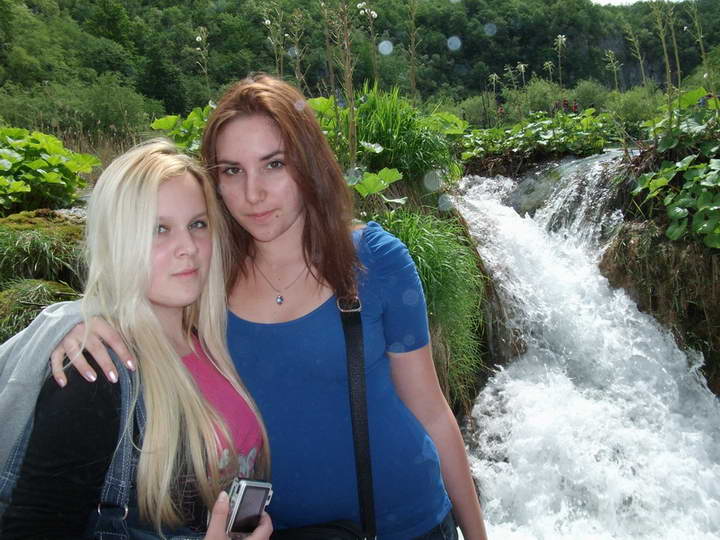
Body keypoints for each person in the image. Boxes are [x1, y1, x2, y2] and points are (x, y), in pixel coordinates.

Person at [48, 74, 489, 540]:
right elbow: (136, 296)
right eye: (232, 171)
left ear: (308, 164)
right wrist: (84, 322)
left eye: (274, 164)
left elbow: (431, 411)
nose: (253, 193)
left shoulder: (375, 261)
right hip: (273, 532)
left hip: (406, 524)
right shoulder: (206, 275)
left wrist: (476, 534)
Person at [0, 139, 272, 540]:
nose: (188, 248)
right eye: (158, 229)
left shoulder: (210, 343)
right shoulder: (96, 374)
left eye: (198, 224)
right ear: (118, 243)